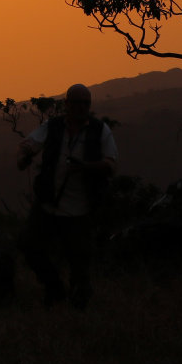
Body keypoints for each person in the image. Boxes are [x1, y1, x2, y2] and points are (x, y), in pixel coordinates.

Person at [16, 83, 117, 308]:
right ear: (67, 105)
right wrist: (24, 157)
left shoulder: (100, 130)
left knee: (80, 264)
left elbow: (111, 165)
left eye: (86, 103)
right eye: (77, 103)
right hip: (49, 205)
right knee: (29, 245)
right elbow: (27, 145)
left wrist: (86, 167)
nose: (82, 107)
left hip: (81, 209)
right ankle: (54, 288)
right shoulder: (52, 127)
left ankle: (77, 308)